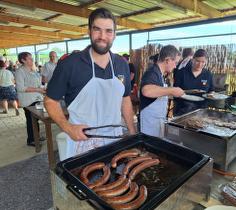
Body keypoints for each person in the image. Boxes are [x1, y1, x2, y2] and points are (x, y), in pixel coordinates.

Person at [44, 8, 136, 159]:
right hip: (82, 141)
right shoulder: (69, 64)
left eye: (108, 31)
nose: (102, 36)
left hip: (115, 139)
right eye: (97, 30)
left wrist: (132, 132)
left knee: (116, 177)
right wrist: (68, 128)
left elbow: (125, 99)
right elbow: (50, 101)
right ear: (89, 31)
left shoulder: (121, 64)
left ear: (114, 34)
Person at [140, 45, 184, 137]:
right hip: (149, 122)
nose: (175, 66)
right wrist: (172, 90)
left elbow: (159, 91)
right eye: (175, 62)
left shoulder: (160, 74)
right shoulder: (152, 72)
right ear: (167, 60)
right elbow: (147, 91)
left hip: (156, 120)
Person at [15, 52, 45, 147]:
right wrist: (38, 89)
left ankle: (36, 136)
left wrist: (42, 88)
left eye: (32, 58)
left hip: (37, 98)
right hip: (28, 100)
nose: (32, 60)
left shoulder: (33, 71)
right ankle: (31, 140)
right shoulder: (20, 72)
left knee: (35, 120)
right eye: (30, 58)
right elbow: (20, 88)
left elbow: (37, 84)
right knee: (31, 120)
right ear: (23, 60)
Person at [173, 49, 214, 116]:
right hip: (182, 109)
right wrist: (189, 91)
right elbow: (175, 91)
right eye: (197, 61)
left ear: (206, 62)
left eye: (203, 62)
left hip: (201, 110)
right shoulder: (182, 72)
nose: (200, 64)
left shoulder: (208, 74)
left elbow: (211, 90)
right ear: (192, 60)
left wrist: (211, 94)